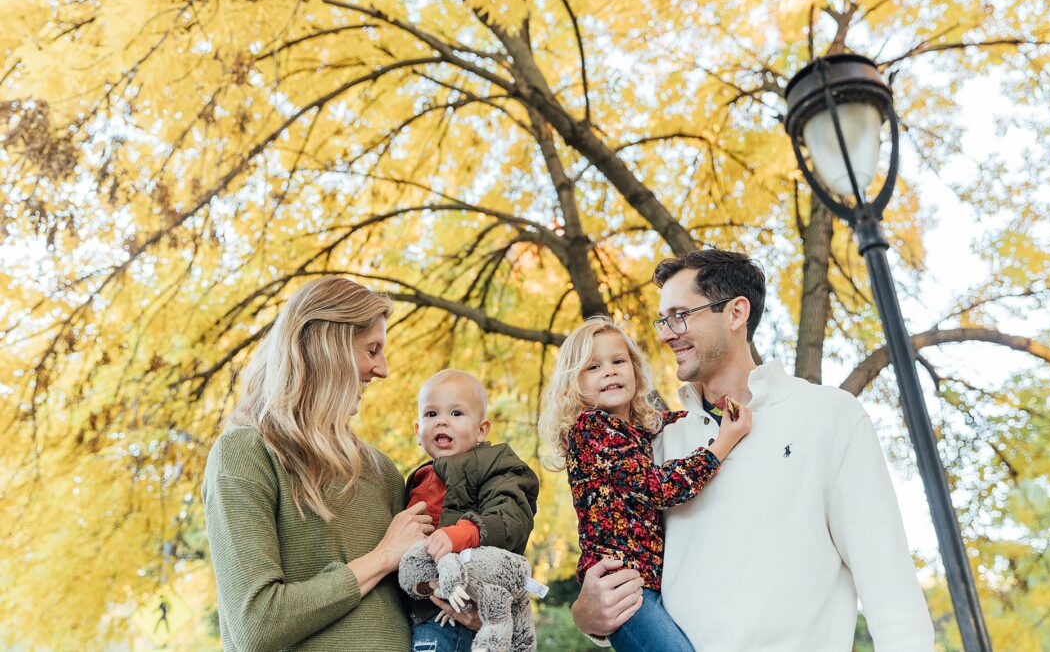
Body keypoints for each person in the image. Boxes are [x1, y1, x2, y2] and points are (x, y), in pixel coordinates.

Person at [571, 250, 935, 651]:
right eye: (663, 320)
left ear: (735, 313)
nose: (665, 334)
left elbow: (891, 592)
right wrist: (588, 616)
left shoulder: (829, 417)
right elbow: (628, 573)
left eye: (679, 316)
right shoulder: (657, 441)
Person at [202, 276, 472, 651]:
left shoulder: (382, 470)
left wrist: (466, 609)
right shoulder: (246, 452)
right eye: (372, 350)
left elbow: (415, 592)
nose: (383, 370)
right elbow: (256, 623)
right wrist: (382, 557)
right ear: (327, 348)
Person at [539, 317, 751, 651]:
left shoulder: (632, 430)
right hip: (621, 589)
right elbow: (659, 487)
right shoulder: (593, 431)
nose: (610, 371)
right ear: (573, 385)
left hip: (646, 583)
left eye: (618, 361)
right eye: (594, 366)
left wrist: (700, 415)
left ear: (635, 371)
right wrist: (721, 444)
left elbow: (664, 422)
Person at [403, 369, 540, 652]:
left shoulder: (494, 465)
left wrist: (464, 532)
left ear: (481, 429)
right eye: (431, 414)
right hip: (423, 603)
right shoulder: (418, 478)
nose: (442, 421)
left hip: (463, 607)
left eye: (456, 413)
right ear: (418, 432)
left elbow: (511, 517)